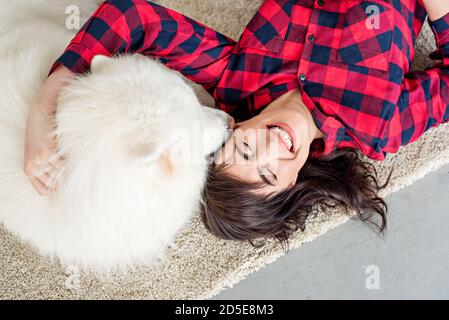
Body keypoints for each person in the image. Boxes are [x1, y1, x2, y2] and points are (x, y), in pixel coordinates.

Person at [25, 0, 449, 248]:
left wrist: (50, 97)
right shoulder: (378, 126)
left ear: (232, 128)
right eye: (269, 173)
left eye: (244, 150)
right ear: (292, 185)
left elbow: (134, 18)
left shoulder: (235, 83)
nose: (270, 149)